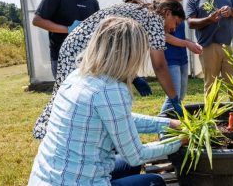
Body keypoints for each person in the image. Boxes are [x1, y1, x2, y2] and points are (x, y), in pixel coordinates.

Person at [28, 16, 186, 185]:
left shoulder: (78, 75)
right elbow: (135, 154)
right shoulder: (111, 89)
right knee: (154, 182)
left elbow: (120, 119)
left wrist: (169, 123)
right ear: (131, 54)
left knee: (130, 166)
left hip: (47, 178)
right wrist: (180, 140)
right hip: (78, 181)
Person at [33, 0, 185, 140]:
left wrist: (134, 77)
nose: (174, 29)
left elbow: (120, 50)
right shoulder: (155, 20)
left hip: (77, 45)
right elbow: (159, 65)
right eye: (176, 23)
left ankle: (70, 135)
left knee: (73, 97)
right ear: (167, 13)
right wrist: (173, 99)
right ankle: (52, 133)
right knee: (71, 99)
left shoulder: (143, 13)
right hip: (81, 50)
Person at [32, 0, 101, 78]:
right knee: (65, 93)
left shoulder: (93, 2)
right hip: (62, 57)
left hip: (86, 58)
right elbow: (37, 20)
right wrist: (68, 29)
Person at [158, 0, 203, 113]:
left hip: (181, 57)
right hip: (169, 59)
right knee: (173, 97)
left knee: (180, 96)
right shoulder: (161, 8)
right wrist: (187, 44)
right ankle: (162, 127)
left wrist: (191, 43)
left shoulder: (176, 7)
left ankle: (172, 126)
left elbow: (179, 35)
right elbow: (163, 36)